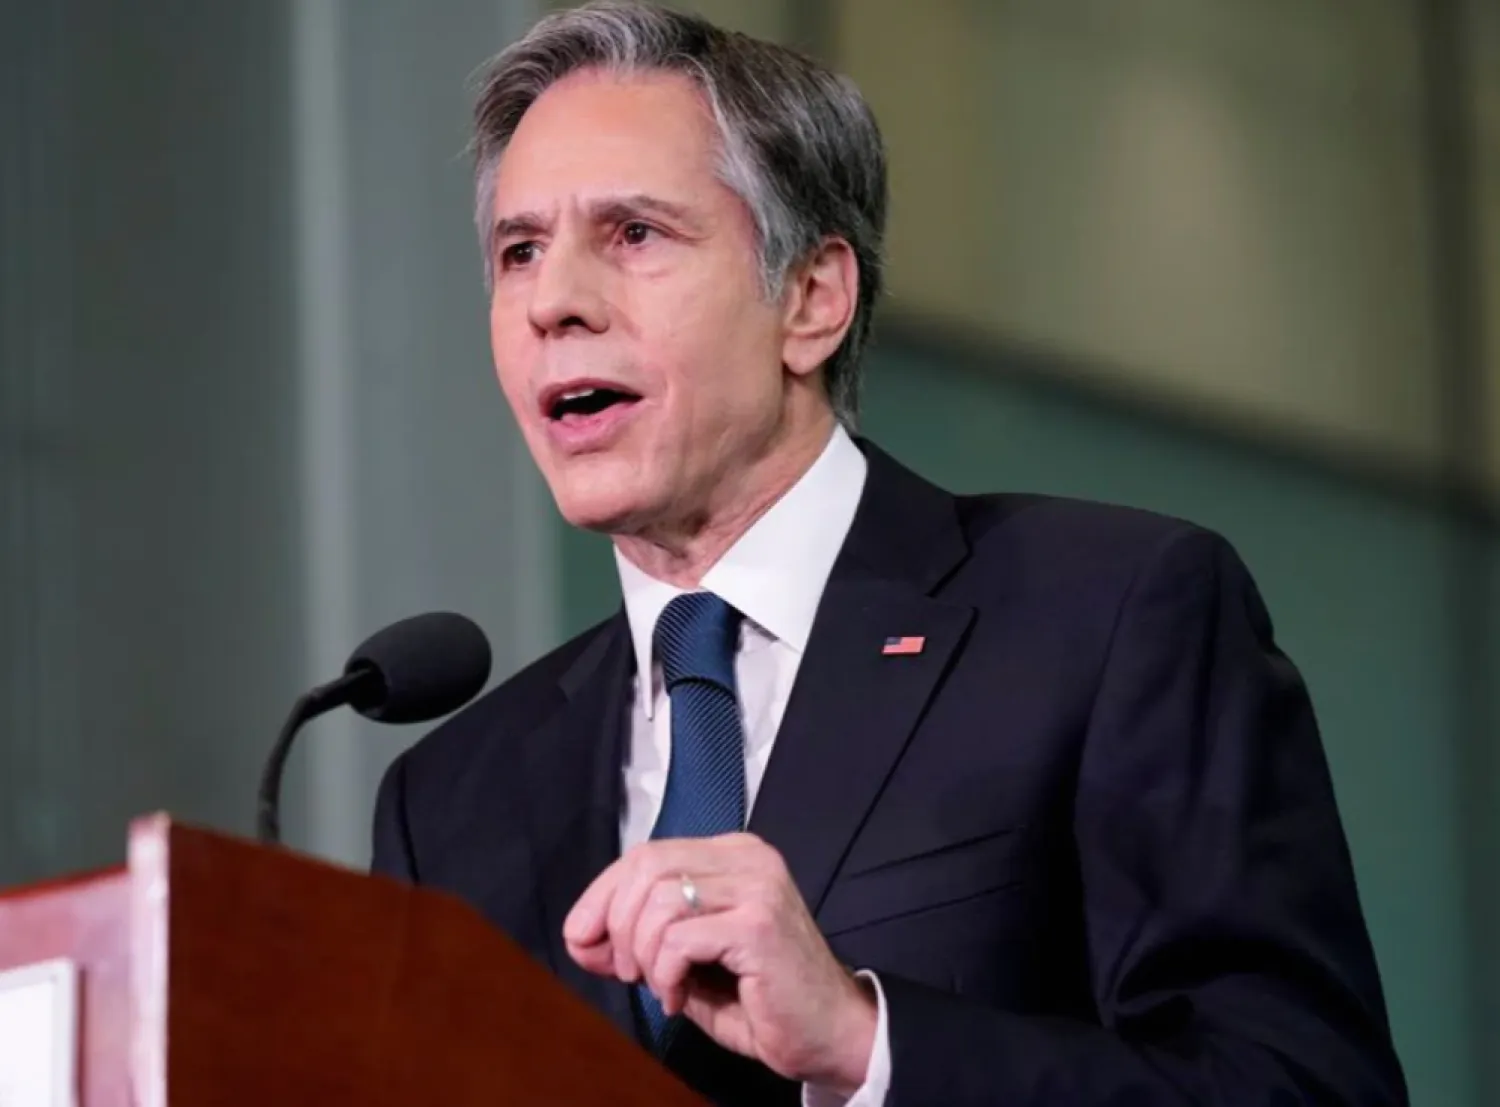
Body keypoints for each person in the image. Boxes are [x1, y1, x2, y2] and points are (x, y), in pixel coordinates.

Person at [370, 3, 1409, 1104]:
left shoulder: (1107, 621)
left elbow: (1305, 1088)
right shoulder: (449, 802)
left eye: (633, 235)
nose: (553, 304)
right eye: (519, 250)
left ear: (812, 299)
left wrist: (868, 1043)